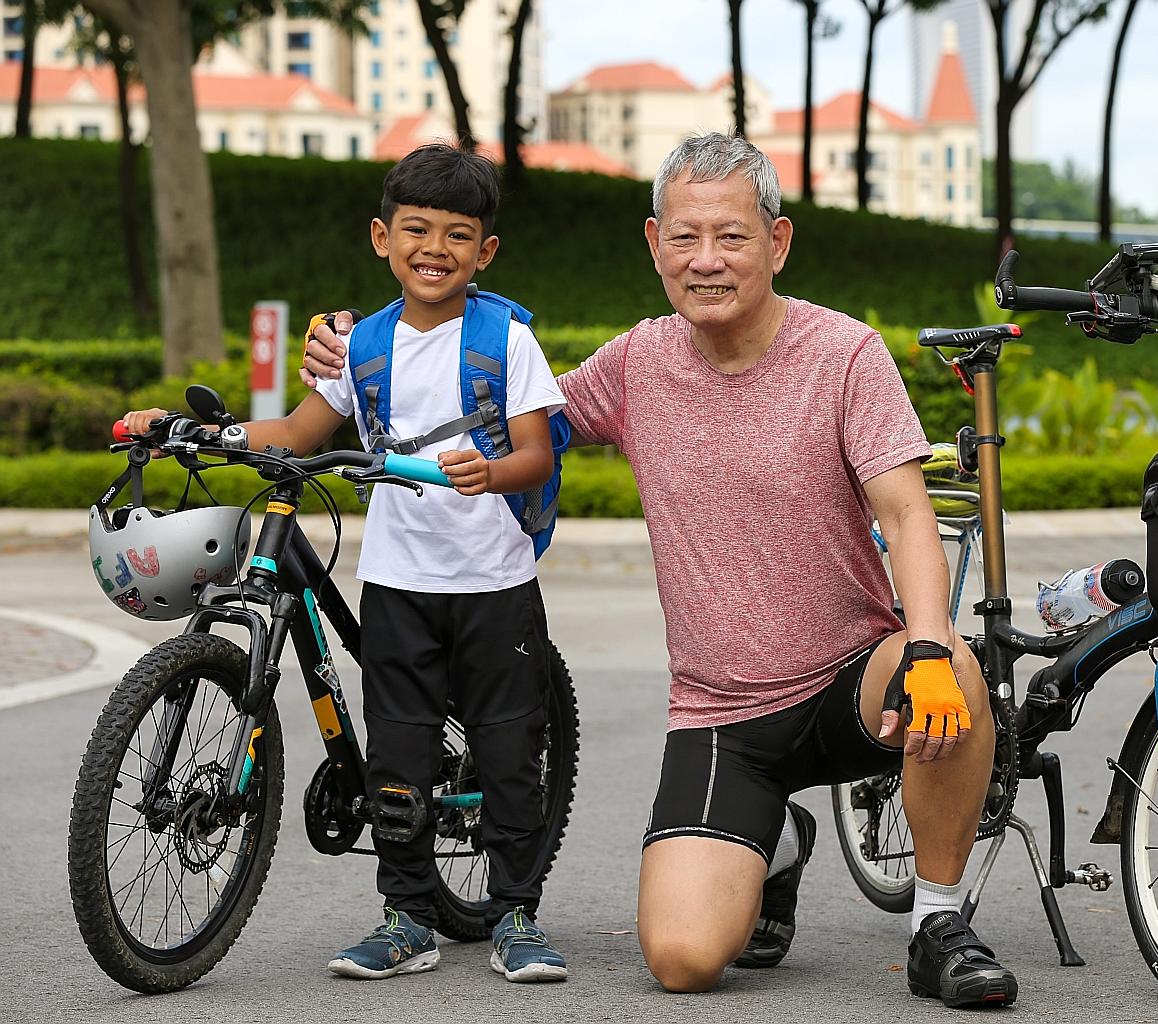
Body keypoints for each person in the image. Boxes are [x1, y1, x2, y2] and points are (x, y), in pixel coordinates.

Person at [303, 133, 1017, 1008]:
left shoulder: (845, 354)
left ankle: (938, 923)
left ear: (778, 242)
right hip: (721, 714)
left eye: (731, 236)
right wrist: (358, 344)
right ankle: (779, 843)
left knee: (958, 676)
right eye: (684, 238)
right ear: (654, 244)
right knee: (682, 960)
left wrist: (932, 647)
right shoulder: (638, 361)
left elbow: (907, 513)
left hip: (847, 679)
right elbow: (504, 403)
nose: (706, 260)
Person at [122, 143, 571, 984]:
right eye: (415, 230)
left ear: (485, 252)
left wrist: (492, 471)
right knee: (397, 758)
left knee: (509, 752)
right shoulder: (360, 345)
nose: (434, 249)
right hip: (398, 585)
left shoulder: (505, 339)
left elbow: (536, 454)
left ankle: (516, 914)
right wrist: (188, 431)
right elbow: (295, 436)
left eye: (456, 235)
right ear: (381, 237)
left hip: (492, 584)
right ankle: (406, 918)